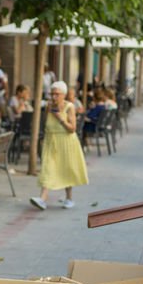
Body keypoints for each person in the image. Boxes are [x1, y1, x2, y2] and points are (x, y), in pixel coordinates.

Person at [30, 81, 89, 210]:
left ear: (64, 94)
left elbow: (72, 128)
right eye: (52, 94)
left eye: (57, 94)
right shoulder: (48, 107)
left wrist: (59, 117)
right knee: (48, 168)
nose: (54, 97)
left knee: (66, 169)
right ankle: (42, 199)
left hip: (66, 142)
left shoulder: (70, 107)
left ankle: (69, 198)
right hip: (51, 141)